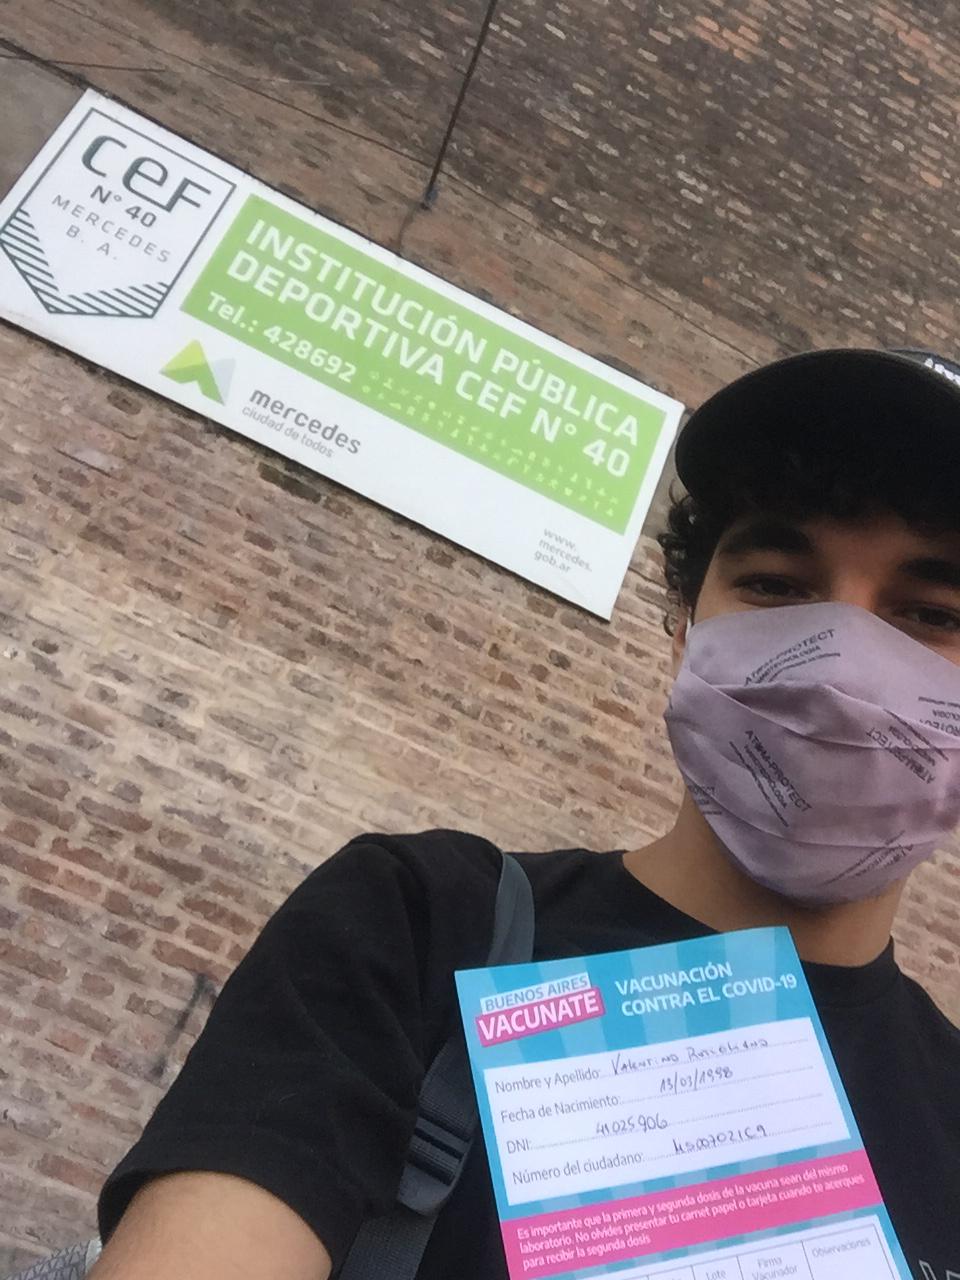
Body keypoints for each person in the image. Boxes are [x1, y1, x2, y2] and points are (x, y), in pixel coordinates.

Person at [89, 349, 960, 1280]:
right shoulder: (424, 927)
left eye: (933, 613)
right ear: (684, 632)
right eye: (777, 587)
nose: (837, 668)